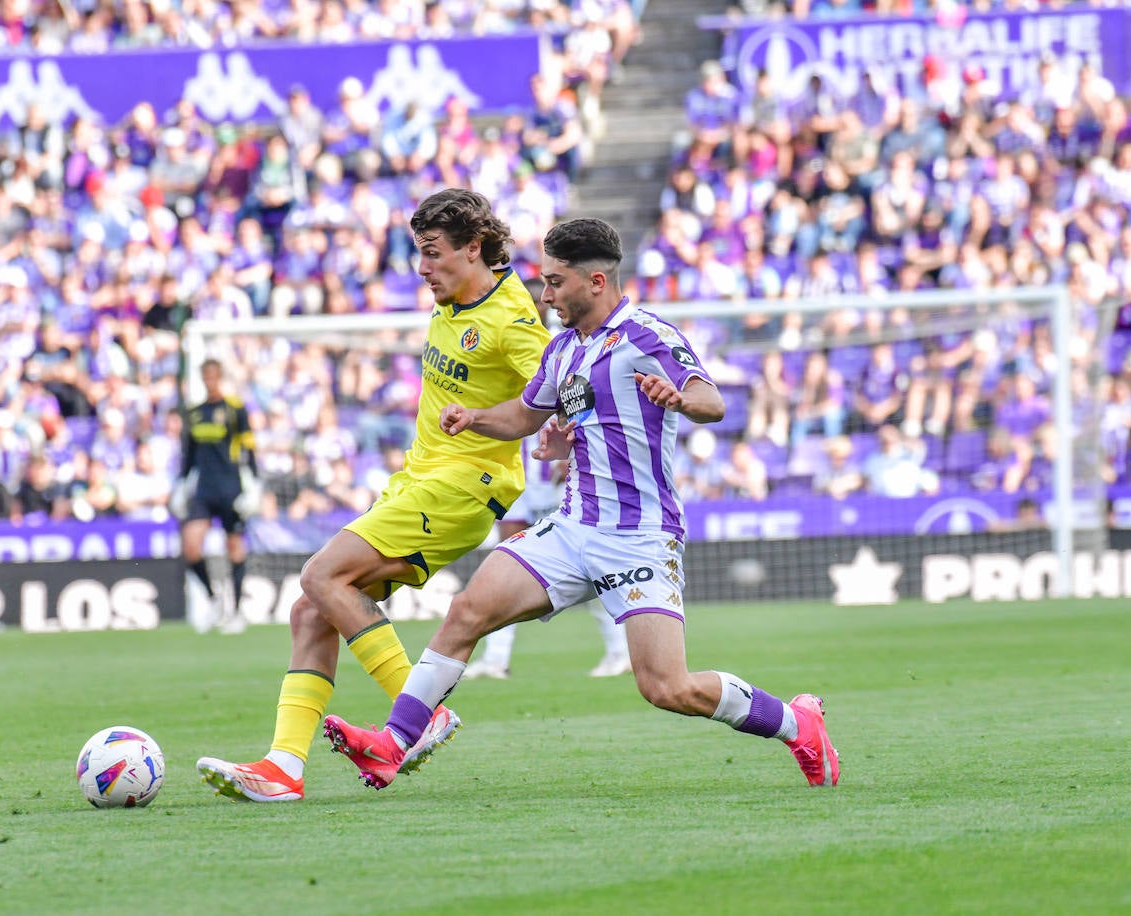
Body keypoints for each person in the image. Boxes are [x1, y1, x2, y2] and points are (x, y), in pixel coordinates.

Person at [321, 218, 839, 792]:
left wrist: (679, 398)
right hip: (571, 528)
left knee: (667, 687)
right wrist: (476, 417)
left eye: (555, 283)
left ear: (596, 281)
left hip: (639, 534)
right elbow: (525, 415)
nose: (545, 295)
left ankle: (799, 724)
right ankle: (392, 745)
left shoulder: (647, 335)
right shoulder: (564, 348)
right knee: (467, 611)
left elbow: (710, 400)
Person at [197, 188, 551, 802]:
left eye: (433, 254)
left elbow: (559, 388)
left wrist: (560, 437)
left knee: (320, 576)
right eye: (419, 253)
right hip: (419, 479)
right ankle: (285, 767)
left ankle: (418, 714)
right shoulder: (452, 301)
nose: (422, 268)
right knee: (313, 608)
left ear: (473, 250)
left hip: (466, 486)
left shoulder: (512, 319)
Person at [463, 426, 631, 680]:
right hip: (518, 478)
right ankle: (496, 658)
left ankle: (620, 653)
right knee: (505, 565)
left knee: (595, 568)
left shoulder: (560, 389)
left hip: (565, 479)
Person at [175, 358, 259, 634]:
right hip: (204, 490)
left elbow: (249, 450)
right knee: (190, 546)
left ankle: (235, 612)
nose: (210, 381)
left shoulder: (235, 410)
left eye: (213, 377)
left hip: (231, 488)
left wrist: (253, 485)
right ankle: (213, 600)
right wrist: (180, 484)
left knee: (234, 548)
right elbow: (189, 455)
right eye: (205, 377)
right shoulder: (195, 412)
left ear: (220, 377)